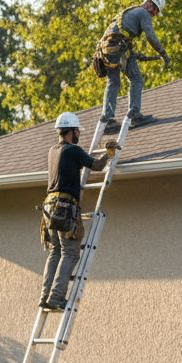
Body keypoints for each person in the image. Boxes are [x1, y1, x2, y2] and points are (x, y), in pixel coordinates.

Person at [38, 112, 120, 311]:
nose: (79, 135)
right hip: (65, 207)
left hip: (49, 207)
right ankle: (57, 297)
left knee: (55, 252)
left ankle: (45, 295)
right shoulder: (73, 150)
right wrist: (108, 152)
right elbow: (98, 166)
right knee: (71, 253)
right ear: (72, 131)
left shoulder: (52, 151)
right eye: (77, 131)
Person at [95, 0, 169, 128]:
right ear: (149, 4)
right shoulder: (143, 13)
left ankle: (107, 120)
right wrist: (163, 53)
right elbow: (150, 36)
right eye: (154, 11)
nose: (153, 14)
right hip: (117, 47)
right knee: (136, 79)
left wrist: (135, 54)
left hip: (107, 48)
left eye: (155, 13)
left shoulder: (130, 12)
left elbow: (121, 36)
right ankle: (134, 116)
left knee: (113, 82)